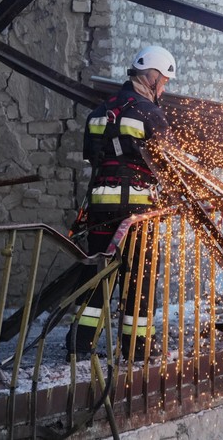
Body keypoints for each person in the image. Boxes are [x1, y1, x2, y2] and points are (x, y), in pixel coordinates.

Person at [67, 45, 177, 362]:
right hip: (137, 213)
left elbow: (95, 158)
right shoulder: (151, 114)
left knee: (97, 276)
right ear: (153, 77)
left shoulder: (98, 113)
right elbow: (167, 165)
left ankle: (79, 345)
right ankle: (137, 347)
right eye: (165, 81)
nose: (165, 88)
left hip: (100, 211)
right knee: (139, 279)